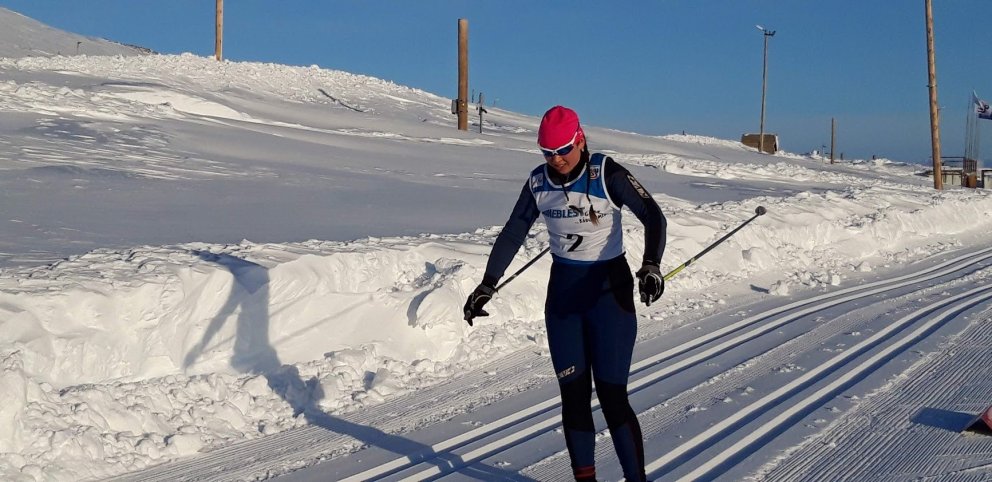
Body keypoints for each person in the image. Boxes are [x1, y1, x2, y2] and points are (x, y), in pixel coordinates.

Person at [463, 105, 666, 482]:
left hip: (609, 294)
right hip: (564, 300)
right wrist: (487, 284)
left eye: (563, 150)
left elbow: (653, 215)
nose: (555, 159)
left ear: (580, 140)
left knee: (611, 396)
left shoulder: (606, 172)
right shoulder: (538, 182)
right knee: (573, 397)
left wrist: (651, 265)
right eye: (547, 152)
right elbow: (513, 231)